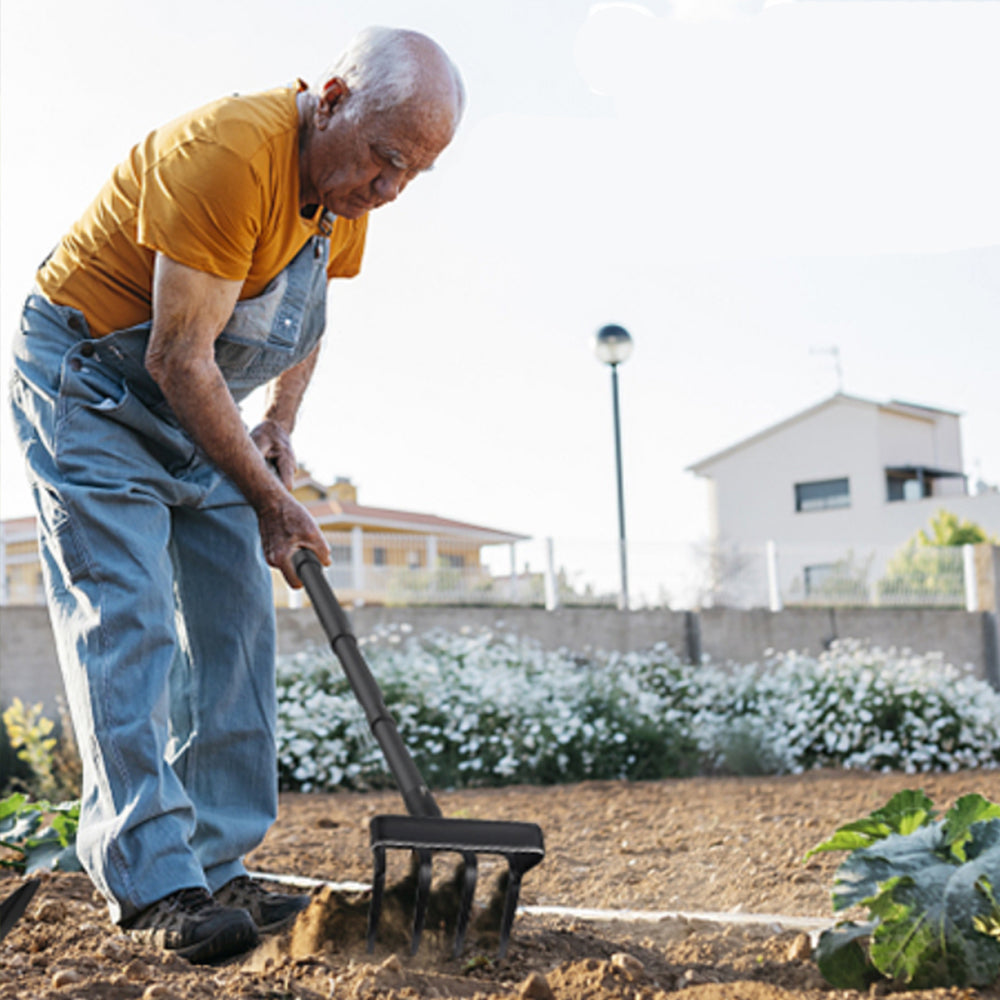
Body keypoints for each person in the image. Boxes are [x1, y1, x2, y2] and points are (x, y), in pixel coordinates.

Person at [9, 27, 464, 964]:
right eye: (385, 160)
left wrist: (280, 425)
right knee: (128, 618)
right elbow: (177, 356)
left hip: (195, 396)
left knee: (237, 625)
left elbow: (305, 317)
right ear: (332, 99)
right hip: (92, 384)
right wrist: (268, 500)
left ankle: (215, 863)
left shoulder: (344, 187)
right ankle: (152, 882)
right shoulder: (226, 156)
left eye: (411, 174)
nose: (389, 189)